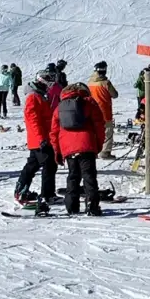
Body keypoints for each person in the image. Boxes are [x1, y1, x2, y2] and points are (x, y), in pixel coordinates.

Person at [50, 82, 106, 215]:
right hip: (86, 145)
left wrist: (57, 151)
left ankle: (71, 206)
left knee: (73, 176)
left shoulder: (59, 107)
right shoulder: (89, 103)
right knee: (89, 176)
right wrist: (98, 145)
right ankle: (92, 206)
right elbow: (99, 125)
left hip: (68, 148)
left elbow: (54, 132)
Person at [16, 69, 57, 207]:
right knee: (49, 164)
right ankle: (47, 195)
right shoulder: (33, 97)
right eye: (49, 81)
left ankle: (21, 190)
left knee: (33, 165)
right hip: (40, 139)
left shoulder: (41, 95)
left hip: (42, 137)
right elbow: (32, 119)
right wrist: (41, 138)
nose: (50, 84)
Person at [88, 61, 119, 159]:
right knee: (107, 132)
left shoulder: (90, 83)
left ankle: (94, 151)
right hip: (105, 111)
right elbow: (115, 95)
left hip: (93, 111)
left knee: (95, 131)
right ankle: (105, 152)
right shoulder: (106, 83)